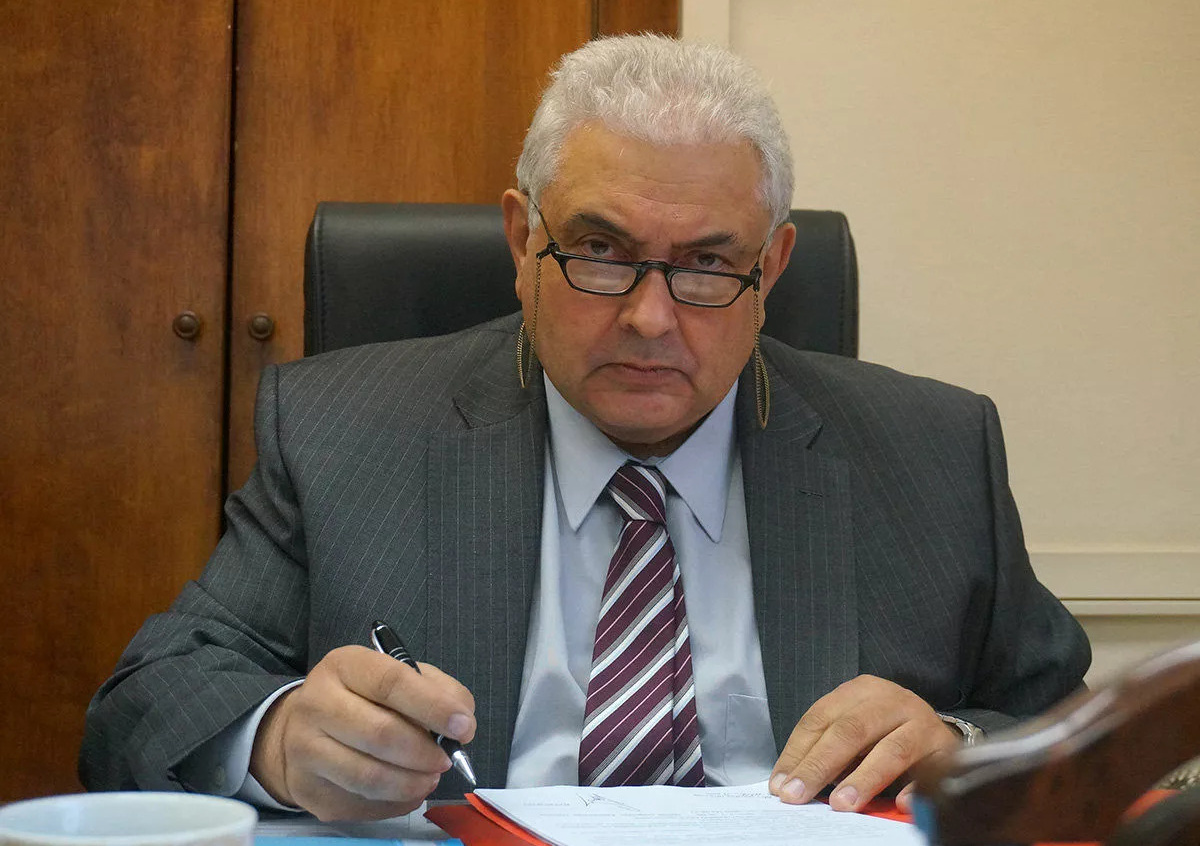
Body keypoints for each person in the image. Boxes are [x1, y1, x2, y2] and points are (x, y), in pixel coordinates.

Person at [80, 34, 1089, 822]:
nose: (650, 319)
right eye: (600, 251)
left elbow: (1076, 728)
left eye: (707, 264)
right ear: (523, 241)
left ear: (772, 268)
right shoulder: (342, 432)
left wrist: (960, 743)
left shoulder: (931, 451)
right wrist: (277, 740)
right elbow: (144, 707)